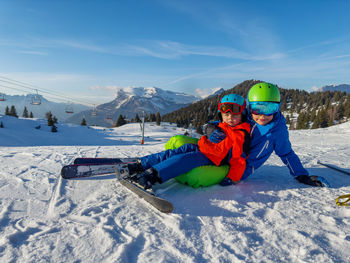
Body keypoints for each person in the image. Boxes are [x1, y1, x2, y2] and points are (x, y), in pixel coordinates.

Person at [116, 94, 251, 189]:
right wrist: (210, 129)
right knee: (172, 153)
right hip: (200, 147)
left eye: (234, 115)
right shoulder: (222, 124)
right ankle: (140, 165)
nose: (230, 118)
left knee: (183, 160)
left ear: (242, 115)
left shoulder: (240, 134)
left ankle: (152, 175)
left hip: (212, 157)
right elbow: (210, 125)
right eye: (226, 114)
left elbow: (239, 159)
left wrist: (232, 178)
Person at [241, 82, 327, 187]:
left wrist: (301, 175)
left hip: (238, 172)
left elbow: (286, 153)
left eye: (270, 109)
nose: (262, 115)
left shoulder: (277, 131)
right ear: (249, 107)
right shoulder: (241, 118)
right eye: (257, 109)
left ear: (278, 108)